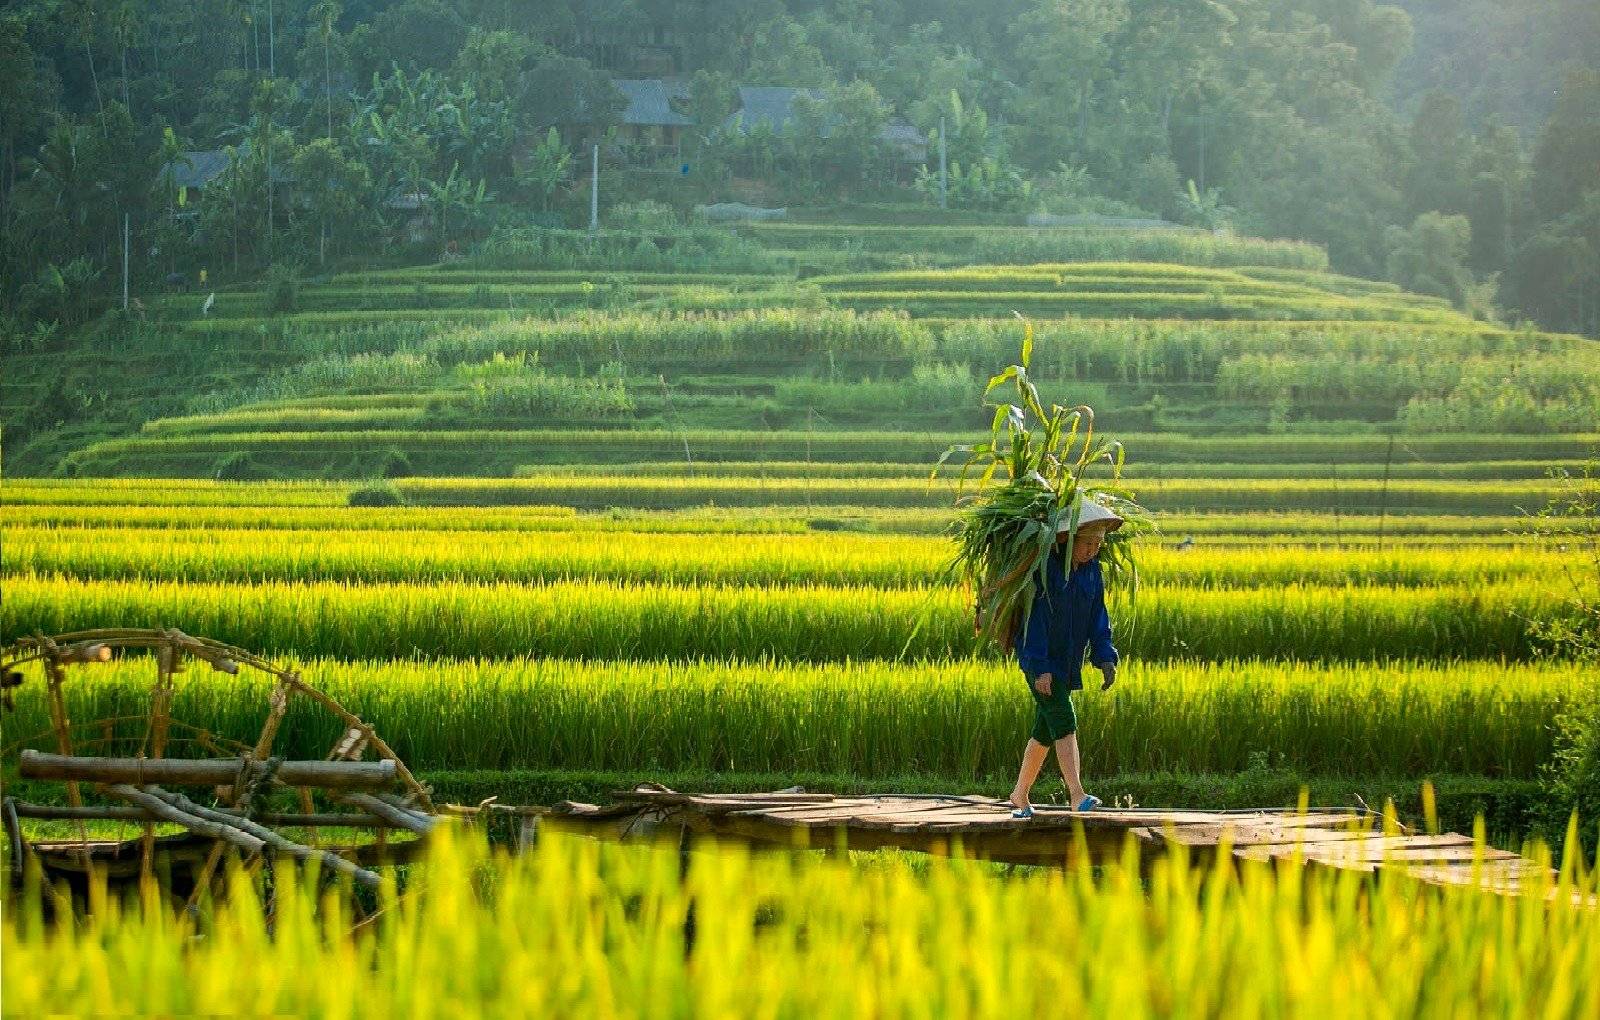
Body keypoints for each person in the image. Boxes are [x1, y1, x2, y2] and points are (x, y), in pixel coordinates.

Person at [1007, 499, 1122, 818]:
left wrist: (1104, 656)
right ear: (1067, 540)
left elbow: (1099, 615)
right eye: (1087, 543)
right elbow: (1035, 622)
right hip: (1040, 662)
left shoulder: (1091, 573)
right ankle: (1077, 794)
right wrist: (1040, 668)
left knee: (1045, 730)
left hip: (1068, 662)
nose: (1092, 551)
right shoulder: (1046, 572)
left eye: (1098, 544)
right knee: (1064, 719)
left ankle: (1019, 795)